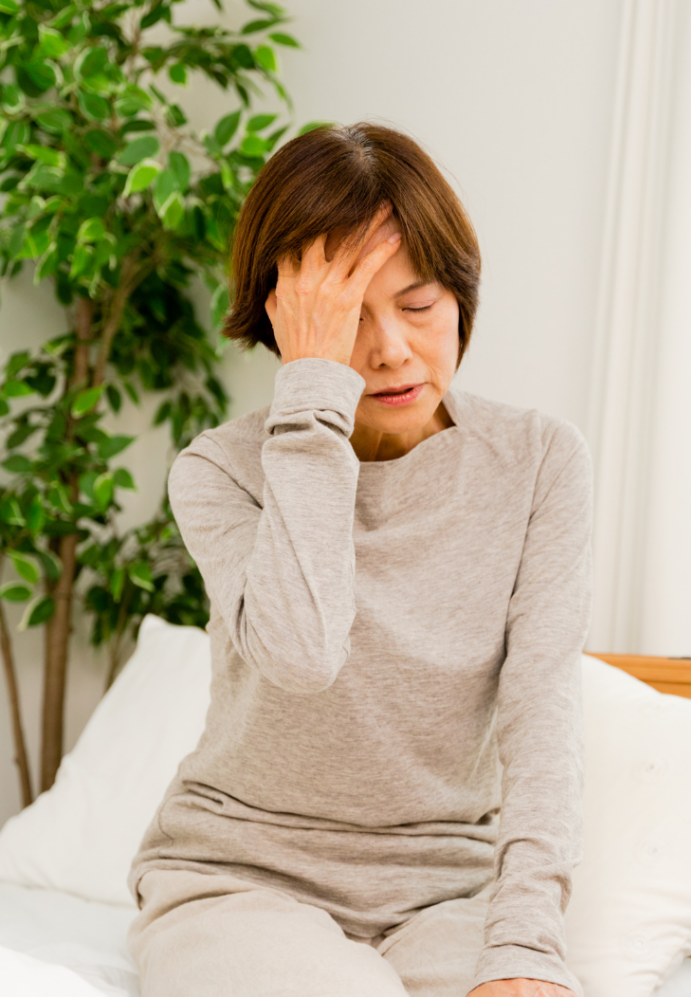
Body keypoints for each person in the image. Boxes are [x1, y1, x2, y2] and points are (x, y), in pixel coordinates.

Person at [125, 122, 592, 997]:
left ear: (461, 296)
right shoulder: (221, 470)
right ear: (286, 323)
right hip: (237, 880)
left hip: (444, 896)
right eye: (346, 319)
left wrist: (526, 948)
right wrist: (312, 399)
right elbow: (303, 656)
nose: (390, 351)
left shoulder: (538, 462)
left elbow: (542, 718)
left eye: (418, 306)